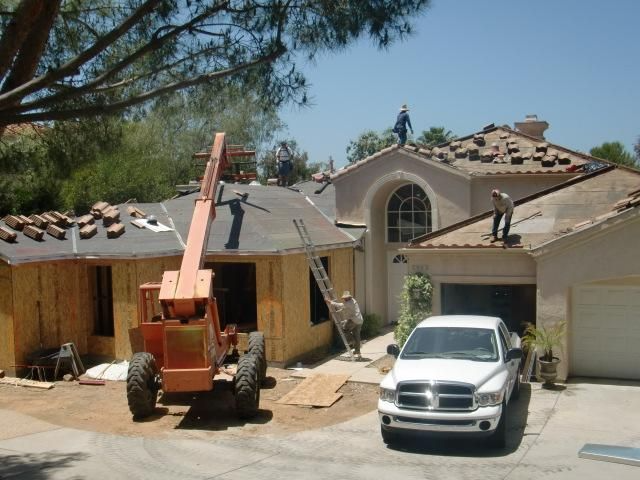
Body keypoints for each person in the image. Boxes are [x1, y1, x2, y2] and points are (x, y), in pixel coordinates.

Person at [328, 291, 364, 359]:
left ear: (348, 298)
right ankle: (357, 351)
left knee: (345, 329)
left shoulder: (348, 303)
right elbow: (346, 308)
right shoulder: (353, 300)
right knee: (357, 336)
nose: (344, 299)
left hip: (354, 320)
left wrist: (330, 302)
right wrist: (340, 310)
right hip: (359, 320)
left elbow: (341, 305)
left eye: (345, 298)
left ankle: (352, 341)